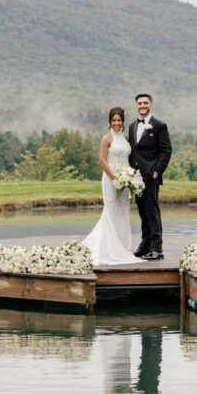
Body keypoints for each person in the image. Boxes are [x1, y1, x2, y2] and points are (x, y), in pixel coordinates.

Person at [81, 107, 140, 266]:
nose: (116, 123)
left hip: (125, 179)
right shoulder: (106, 139)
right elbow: (102, 161)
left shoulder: (126, 137)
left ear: (123, 122)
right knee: (111, 210)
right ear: (109, 122)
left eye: (119, 120)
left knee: (123, 211)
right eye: (114, 120)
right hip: (110, 178)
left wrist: (128, 177)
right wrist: (114, 178)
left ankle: (121, 245)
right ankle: (108, 247)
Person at [128, 93, 172, 261]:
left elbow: (166, 151)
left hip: (150, 177)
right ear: (136, 105)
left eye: (145, 103)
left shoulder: (159, 126)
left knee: (152, 212)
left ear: (151, 105)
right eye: (140, 103)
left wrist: (157, 171)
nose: (142, 105)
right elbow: (133, 151)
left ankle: (157, 249)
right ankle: (145, 245)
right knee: (142, 212)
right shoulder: (132, 126)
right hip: (136, 178)